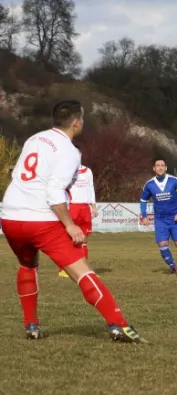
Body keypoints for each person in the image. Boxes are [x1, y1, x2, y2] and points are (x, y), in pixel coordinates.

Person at [1, 99, 145, 342]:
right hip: (41, 220)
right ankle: (118, 324)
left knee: (27, 265)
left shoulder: (34, 139)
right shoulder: (69, 151)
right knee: (82, 271)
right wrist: (69, 224)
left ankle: (31, 325)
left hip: (10, 217)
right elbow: (54, 191)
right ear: (77, 123)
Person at [140, 158, 177, 274]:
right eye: (157, 165)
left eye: (162, 165)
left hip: (175, 218)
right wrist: (144, 216)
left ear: (166, 168)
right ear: (154, 168)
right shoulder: (149, 185)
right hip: (160, 220)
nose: (160, 167)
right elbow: (143, 200)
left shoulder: (174, 181)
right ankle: (174, 267)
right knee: (162, 244)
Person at [58, 144, 98, 278]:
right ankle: (64, 269)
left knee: (84, 240)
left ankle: (84, 270)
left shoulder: (88, 171)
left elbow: (91, 188)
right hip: (72, 207)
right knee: (69, 239)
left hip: (85, 208)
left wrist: (93, 206)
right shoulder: (66, 172)